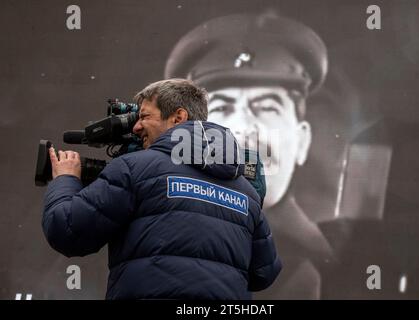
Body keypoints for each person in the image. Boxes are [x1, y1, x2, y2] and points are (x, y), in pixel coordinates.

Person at [42, 78, 281, 299]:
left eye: (144, 116)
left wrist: (66, 178)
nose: (136, 127)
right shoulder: (246, 192)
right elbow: (264, 273)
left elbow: (67, 230)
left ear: (178, 117)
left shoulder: (135, 169)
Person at [164, 13, 336, 299]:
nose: (243, 129)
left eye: (268, 108)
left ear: (302, 141)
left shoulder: (338, 271)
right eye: (222, 108)